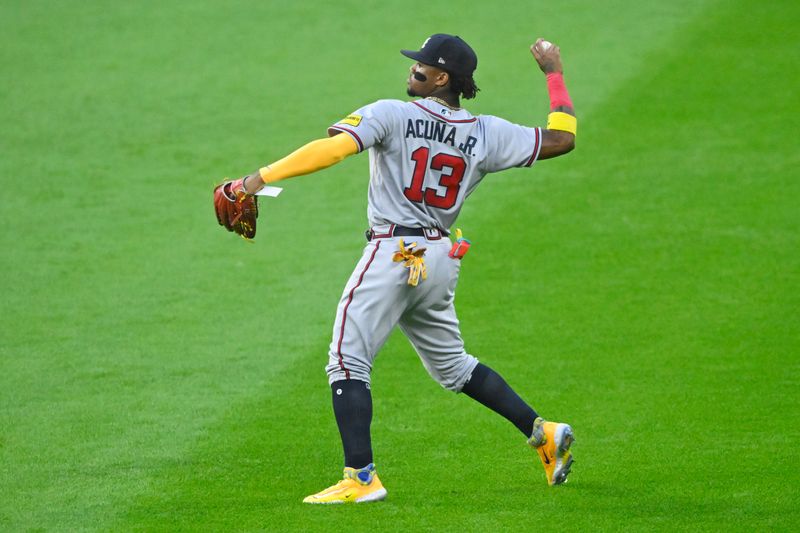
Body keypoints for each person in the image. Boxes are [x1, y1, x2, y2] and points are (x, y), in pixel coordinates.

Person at [234, 33, 577, 503]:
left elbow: (332, 150)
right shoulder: (486, 132)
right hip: (438, 259)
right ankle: (543, 432)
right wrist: (554, 74)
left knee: (345, 360)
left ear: (443, 78)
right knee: (454, 367)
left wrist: (254, 181)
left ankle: (360, 477)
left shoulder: (391, 113)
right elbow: (562, 139)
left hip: (393, 254)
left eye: (420, 68)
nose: (411, 71)